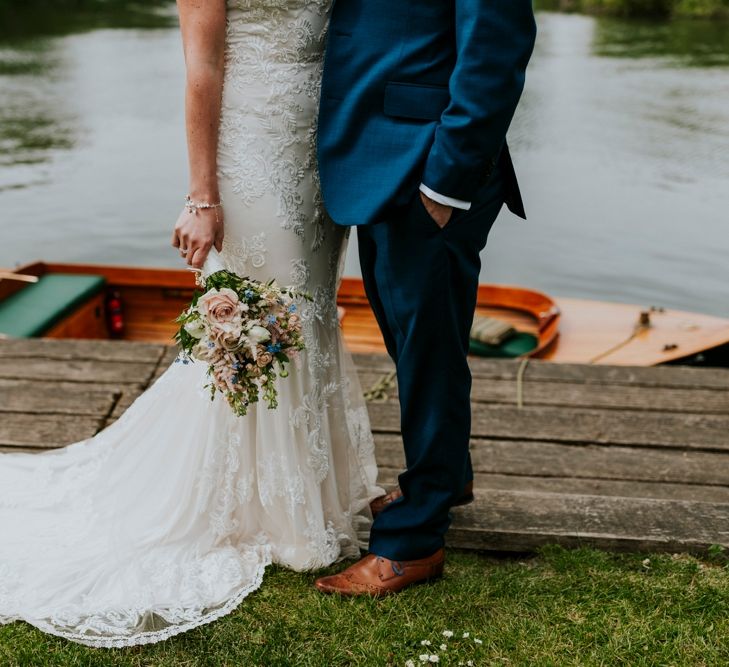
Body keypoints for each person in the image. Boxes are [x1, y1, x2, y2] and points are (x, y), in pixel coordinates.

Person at [0, 0, 382, 647]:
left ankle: (316, 489)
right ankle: (259, 504)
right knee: (265, 319)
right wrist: (201, 196)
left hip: (319, 144)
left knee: (310, 311)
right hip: (252, 148)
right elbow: (201, 68)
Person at [314, 0, 537, 596]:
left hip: (427, 166)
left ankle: (412, 545)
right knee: (410, 339)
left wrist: (447, 181)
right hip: (377, 155)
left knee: (428, 356)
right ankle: (445, 477)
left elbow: (498, 45)